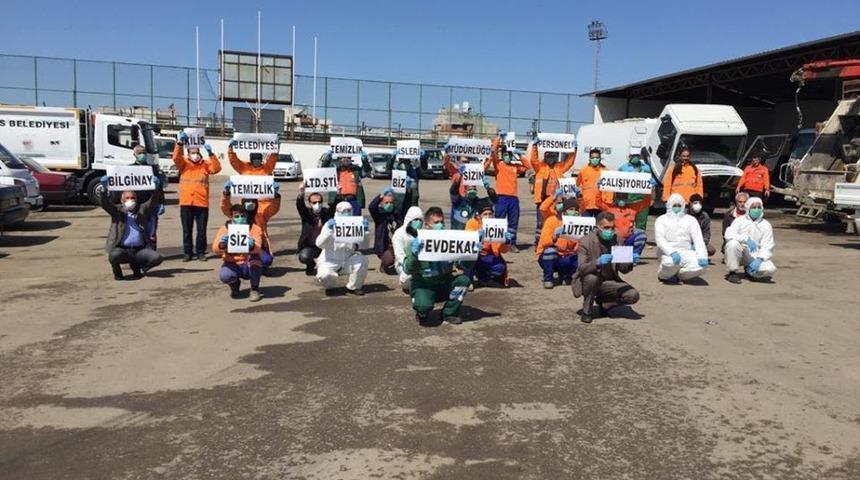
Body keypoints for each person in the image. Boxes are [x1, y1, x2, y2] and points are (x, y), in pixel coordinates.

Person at [405, 207, 474, 325]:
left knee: (463, 281)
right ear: (427, 225)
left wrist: (472, 253)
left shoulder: (449, 243)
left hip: (443, 284)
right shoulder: (415, 243)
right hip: (424, 285)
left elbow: (462, 265)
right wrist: (414, 255)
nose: (440, 225)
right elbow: (408, 269)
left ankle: (449, 312)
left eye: (442, 222)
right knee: (423, 306)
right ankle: (422, 312)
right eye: (436, 222)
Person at [572, 211, 640, 323]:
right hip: (590, 280)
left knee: (633, 295)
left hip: (609, 281)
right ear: (597, 227)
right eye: (606, 227)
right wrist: (597, 262)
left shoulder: (617, 240)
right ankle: (587, 311)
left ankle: (606, 304)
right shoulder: (586, 241)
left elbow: (623, 270)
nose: (610, 231)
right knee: (591, 279)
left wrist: (629, 261)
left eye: (612, 227)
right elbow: (581, 269)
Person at [100, 179, 164, 280]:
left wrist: (156, 189)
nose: (130, 200)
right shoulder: (117, 211)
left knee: (156, 258)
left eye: (133, 198)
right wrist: (104, 189)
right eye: (127, 198)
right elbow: (105, 204)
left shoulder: (141, 209)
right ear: (122, 201)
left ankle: (136, 265)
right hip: (122, 249)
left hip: (139, 249)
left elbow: (152, 202)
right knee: (114, 255)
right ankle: (118, 273)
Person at [174, 132, 222, 261]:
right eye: (192, 152)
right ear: (188, 153)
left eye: (196, 152)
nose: (194, 154)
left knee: (201, 231)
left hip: (201, 203)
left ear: (200, 152)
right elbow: (176, 158)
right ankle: (187, 253)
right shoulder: (184, 163)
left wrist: (211, 154)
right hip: (186, 203)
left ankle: (201, 252)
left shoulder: (205, 164)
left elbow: (216, 169)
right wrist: (179, 143)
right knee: (186, 231)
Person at [221, 180, 282, 269]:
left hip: (258, 244)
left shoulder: (261, 213)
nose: (250, 203)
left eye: (252, 201)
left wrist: (275, 195)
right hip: (239, 244)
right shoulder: (238, 214)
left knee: (267, 260)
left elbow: (273, 208)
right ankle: (241, 265)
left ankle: (258, 265)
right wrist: (226, 193)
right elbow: (225, 207)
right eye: (247, 201)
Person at [528, 138, 577, 245]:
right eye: (548, 156)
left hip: (557, 200)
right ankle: (538, 242)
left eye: (553, 156)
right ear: (545, 157)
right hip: (543, 199)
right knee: (541, 223)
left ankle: (555, 241)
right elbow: (533, 160)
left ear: (556, 157)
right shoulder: (540, 167)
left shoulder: (560, 167)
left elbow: (569, 162)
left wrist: (574, 150)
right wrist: (535, 147)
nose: (550, 158)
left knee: (556, 221)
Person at [315, 201, 370, 295]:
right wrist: (328, 230)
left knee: (362, 260)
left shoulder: (355, 224)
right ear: (337, 211)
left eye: (349, 210)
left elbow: (364, 245)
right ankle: (330, 286)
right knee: (324, 275)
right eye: (343, 211)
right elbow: (319, 244)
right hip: (330, 260)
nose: (347, 213)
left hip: (347, 258)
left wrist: (365, 232)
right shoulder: (330, 225)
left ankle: (354, 287)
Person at [487, 135, 532, 251]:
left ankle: (511, 243)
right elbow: (493, 153)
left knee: (513, 222)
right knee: (499, 221)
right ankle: (497, 243)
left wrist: (520, 154)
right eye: (505, 154)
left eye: (509, 154)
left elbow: (527, 166)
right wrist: (498, 139)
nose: (507, 156)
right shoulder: (499, 165)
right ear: (503, 155)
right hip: (501, 198)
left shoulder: (515, 167)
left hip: (513, 198)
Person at [213, 204, 264, 302]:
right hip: (232, 262)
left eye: (242, 216)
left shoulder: (255, 228)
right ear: (231, 217)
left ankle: (254, 289)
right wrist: (222, 245)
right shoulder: (224, 229)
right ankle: (235, 285)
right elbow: (215, 249)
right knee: (225, 275)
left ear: (247, 216)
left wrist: (252, 245)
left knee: (257, 262)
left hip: (248, 262)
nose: (240, 218)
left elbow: (258, 248)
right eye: (236, 216)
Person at [654, 193, 710, 283]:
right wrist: (671, 252)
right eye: (674, 205)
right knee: (670, 263)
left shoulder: (691, 220)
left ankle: (680, 275)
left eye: (679, 205)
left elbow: (698, 239)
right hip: (667, 251)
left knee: (702, 266)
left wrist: (702, 255)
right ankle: (663, 276)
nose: (677, 207)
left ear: (683, 205)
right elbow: (660, 240)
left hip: (686, 250)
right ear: (668, 205)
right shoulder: (661, 220)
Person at [724, 197, 777, 283]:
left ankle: (750, 272)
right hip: (740, 251)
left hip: (754, 255)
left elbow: (768, 245)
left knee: (770, 269)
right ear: (748, 208)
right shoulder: (739, 220)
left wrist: (760, 259)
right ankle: (732, 272)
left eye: (759, 207)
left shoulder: (766, 225)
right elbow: (728, 234)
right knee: (732, 244)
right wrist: (745, 239)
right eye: (753, 207)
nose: (756, 210)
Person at [536, 193, 581, 289]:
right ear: (564, 212)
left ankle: (566, 275)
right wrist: (554, 238)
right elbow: (544, 243)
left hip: (566, 256)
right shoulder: (551, 220)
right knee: (550, 251)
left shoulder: (578, 224)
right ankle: (548, 278)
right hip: (549, 256)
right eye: (571, 210)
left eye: (575, 210)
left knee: (581, 257)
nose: (573, 212)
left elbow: (576, 246)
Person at [465, 200, 513, 288]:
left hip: (488, 256)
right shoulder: (471, 223)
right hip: (475, 254)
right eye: (485, 214)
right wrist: (477, 236)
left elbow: (502, 250)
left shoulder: (497, 225)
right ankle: (468, 280)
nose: (488, 216)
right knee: (469, 259)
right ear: (479, 215)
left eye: (490, 213)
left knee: (500, 268)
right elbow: (467, 243)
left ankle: (483, 278)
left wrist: (506, 242)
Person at [368, 183, 414, 274]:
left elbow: (406, 205)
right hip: (386, 247)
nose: (389, 205)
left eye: (391, 202)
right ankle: (384, 264)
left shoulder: (397, 214)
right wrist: (380, 196)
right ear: (382, 204)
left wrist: (408, 191)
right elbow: (371, 207)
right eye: (386, 203)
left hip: (399, 243)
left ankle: (400, 264)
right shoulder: (379, 216)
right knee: (388, 260)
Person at [296, 186, 335, 276]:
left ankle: (328, 267)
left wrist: (338, 194)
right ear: (310, 204)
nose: (317, 204)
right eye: (314, 202)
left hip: (325, 246)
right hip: (311, 247)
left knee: (331, 262)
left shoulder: (326, 213)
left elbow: (334, 207)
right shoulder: (307, 215)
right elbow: (300, 206)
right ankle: (310, 265)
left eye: (319, 202)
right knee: (304, 256)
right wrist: (301, 193)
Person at [597, 192, 648, 258]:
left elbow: (645, 203)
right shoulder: (609, 208)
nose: (621, 198)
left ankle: (633, 256)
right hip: (614, 240)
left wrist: (648, 191)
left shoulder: (633, 208)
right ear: (615, 198)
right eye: (619, 196)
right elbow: (598, 202)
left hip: (628, 239)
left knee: (641, 235)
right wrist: (600, 189)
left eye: (624, 196)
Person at [319, 151, 368, 216]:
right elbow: (324, 170)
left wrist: (365, 160)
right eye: (343, 157)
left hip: (353, 200)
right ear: (340, 158)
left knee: (355, 220)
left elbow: (366, 171)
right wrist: (327, 159)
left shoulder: (356, 169)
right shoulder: (335, 170)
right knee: (337, 220)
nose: (346, 159)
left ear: (351, 159)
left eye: (348, 157)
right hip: (338, 200)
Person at [619, 147, 653, 231]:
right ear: (629, 156)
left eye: (637, 156)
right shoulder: (623, 168)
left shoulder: (646, 168)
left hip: (643, 200)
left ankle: (639, 240)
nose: (635, 158)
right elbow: (617, 185)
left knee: (641, 223)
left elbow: (651, 184)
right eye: (633, 156)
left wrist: (652, 198)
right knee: (626, 221)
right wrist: (619, 199)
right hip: (628, 200)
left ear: (640, 156)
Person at [392, 205, 424, 293]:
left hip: (422, 264)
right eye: (415, 220)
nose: (418, 222)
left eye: (420, 220)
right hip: (404, 264)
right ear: (409, 220)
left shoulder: (424, 233)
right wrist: (406, 263)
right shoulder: (399, 234)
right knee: (407, 277)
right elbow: (398, 253)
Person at [577, 148, 609, 217]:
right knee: (586, 225)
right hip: (586, 205)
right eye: (593, 157)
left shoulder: (606, 171)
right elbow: (578, 185)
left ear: (600, 158)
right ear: (589, 158)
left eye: (597, 157)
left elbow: (609, 190)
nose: (595, 159)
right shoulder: (583, 170)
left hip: (600, 205)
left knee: (599, 226)